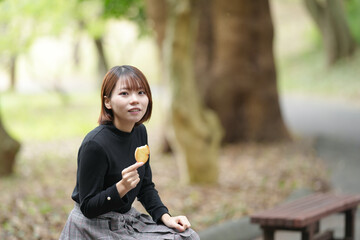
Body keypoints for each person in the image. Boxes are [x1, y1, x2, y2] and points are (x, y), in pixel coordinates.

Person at [60, 65, 199, 240]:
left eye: (141, 92)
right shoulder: (95, 145)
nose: (135, 100)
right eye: (125, 93)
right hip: (92, 227)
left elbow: (146, 186)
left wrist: (166, 217)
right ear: (107, 102)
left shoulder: (139, 132)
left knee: (187, 236)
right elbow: (88, 207)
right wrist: (121, 187)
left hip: (125, 220)